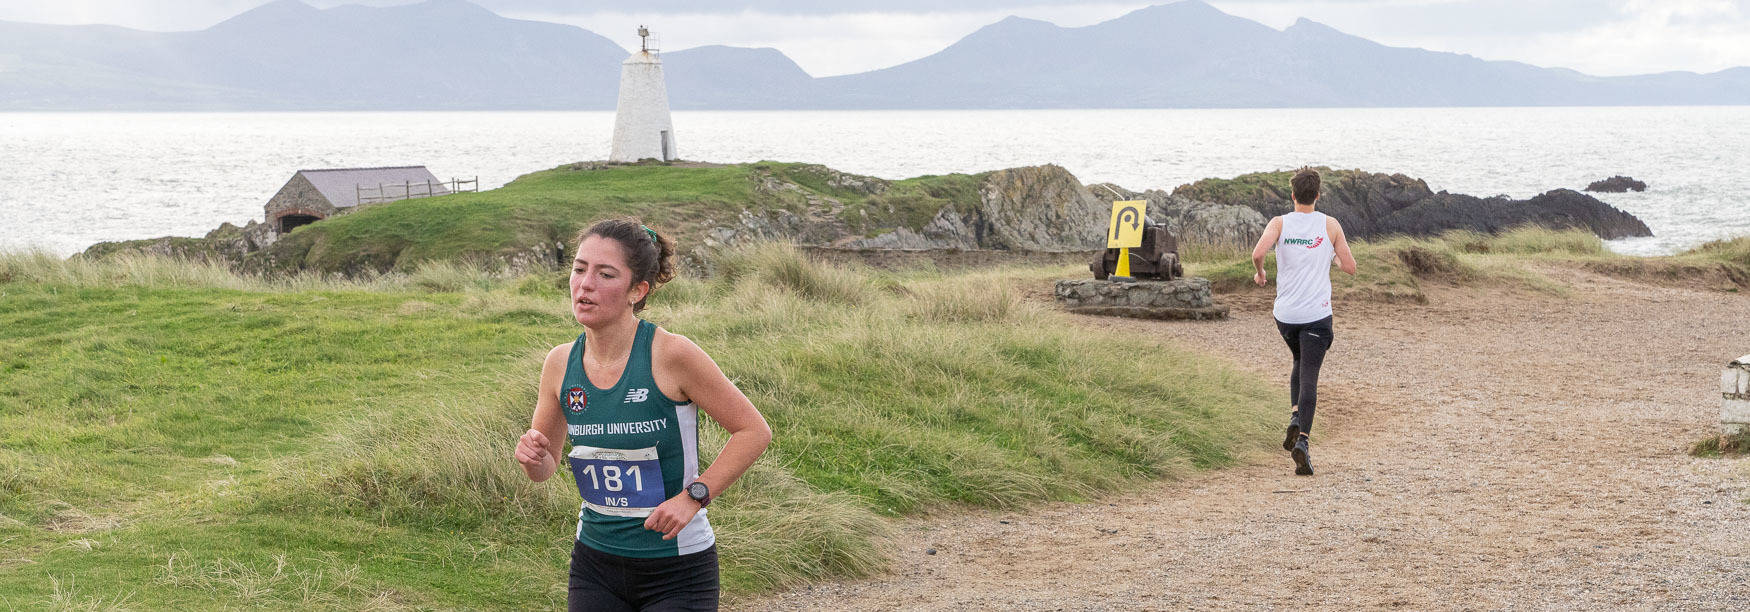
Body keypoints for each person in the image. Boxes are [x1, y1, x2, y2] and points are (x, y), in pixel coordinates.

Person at [514, 218, 772, 611]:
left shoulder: (672, 355)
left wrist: (693, 498)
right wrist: (533, 457)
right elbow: (544, 468)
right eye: (579, 269)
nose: (585, 284)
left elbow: (753, 431)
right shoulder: (560, 363)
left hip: (678, 568)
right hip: (594, 563)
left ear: (638, 290)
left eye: (605, 274)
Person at [1250, 168, 1356, 476]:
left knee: (1298, 358)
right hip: (1316, 315)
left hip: (1285, 316)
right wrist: (1333, 257)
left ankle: (1296, 417)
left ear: (1293, 195)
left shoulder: (1279, 223)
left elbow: (1258, 253)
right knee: (1310, 373)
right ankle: (1304, 443)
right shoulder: (1330, 225)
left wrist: (1261, 273)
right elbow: (1349, 267)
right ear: (1318, 195)